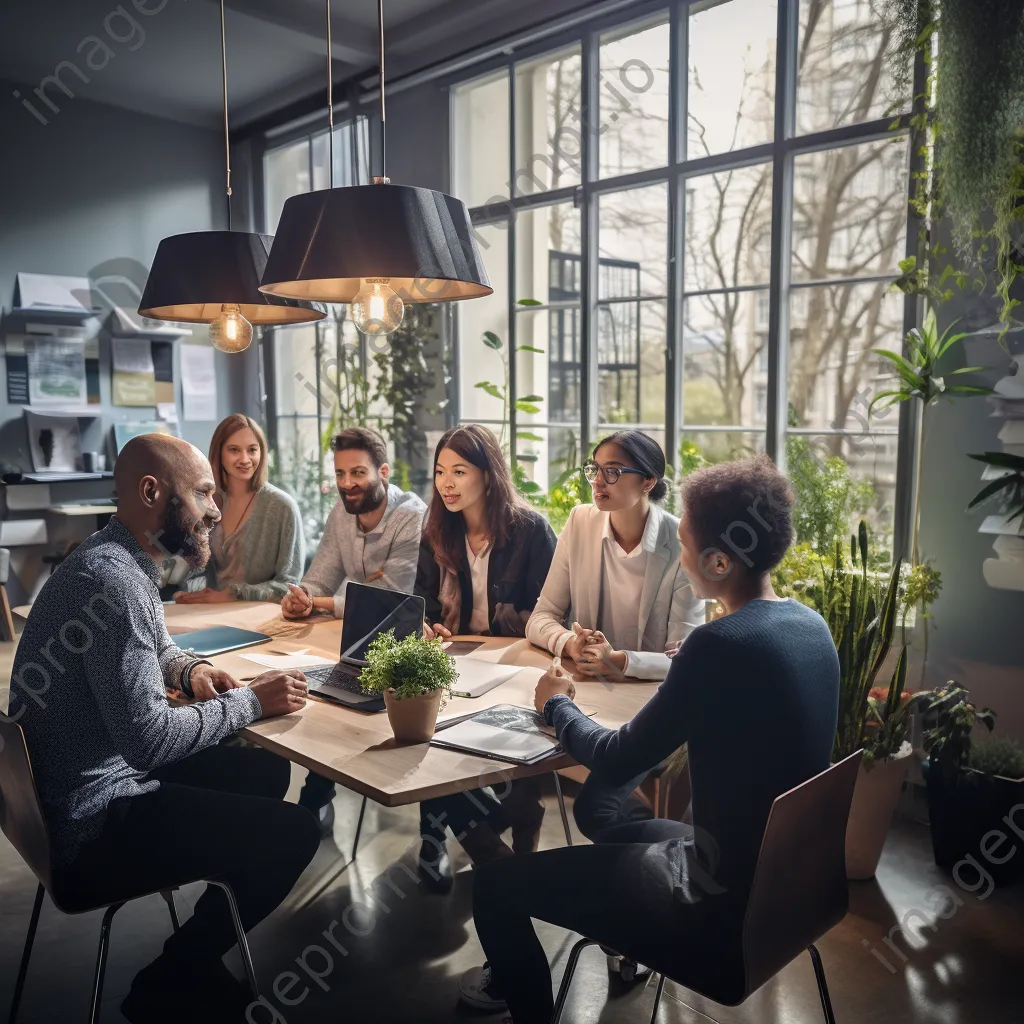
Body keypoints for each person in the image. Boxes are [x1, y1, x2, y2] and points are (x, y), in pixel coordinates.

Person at [466, 455, 841, 1023]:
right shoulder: (809, 627)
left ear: (718, 562)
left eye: (685, 543)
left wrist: (557, 704)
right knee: (602, 809)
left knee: (495, 887)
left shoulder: (717, 646)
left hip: (711, 907)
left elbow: (617, 755)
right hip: (789, 890)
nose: (678, 553)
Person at [7, 434, 319, 1024]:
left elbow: (158, 645)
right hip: (89, 824)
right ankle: (174, 974)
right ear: (153, 492)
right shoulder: (115, 583)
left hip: (61, 798)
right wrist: (252, 703)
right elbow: (149, 740)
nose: (216, 509)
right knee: (295, 833)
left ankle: (205, 932)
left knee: (265, 770)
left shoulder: (111, 557)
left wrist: (192, 669)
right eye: (202, 491)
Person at [414, 425, 557, 892]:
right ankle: (444, 839)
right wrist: (427, 627)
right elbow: (422, 605)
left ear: (489, 475)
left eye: (459, 471)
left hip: (517, 670)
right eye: (440, 472)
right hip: (456, 663)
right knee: (423, 723)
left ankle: (497, 846)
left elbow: (551, 614)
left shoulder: (531, 530)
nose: (446, 483)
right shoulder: (437, 530)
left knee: (472, 740)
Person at [279, 426, 427, 834]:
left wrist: (323, 603)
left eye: (358, 473)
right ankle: (315, 799)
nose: (348, 484)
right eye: (341, 474)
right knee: (319, 695)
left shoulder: (411, 517)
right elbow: (321, 577)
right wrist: (302, 596)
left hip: (408, 644)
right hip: (351, 640)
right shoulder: (341, 515)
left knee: (336, 697)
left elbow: (393, 598)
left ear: (382, 471)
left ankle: (315, 804)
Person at [526, 430, 704, 685]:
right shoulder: (580, 522)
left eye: (613, 471)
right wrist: (570, 644)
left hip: (649, 695)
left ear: (648, 482)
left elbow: (686, 658)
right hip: (585, 686)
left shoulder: (681, 541)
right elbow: (541, 618)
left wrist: (622, 661)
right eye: (594, 469)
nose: (598, 481)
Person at [174, 413, 304, 604]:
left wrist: (233, 594)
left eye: (252, 450)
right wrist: (189, 591)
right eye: (234, 450)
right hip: (208, 612)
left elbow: (289, 585)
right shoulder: (206, 502)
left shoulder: (282, 507)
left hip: (259, 614)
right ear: (220, 453)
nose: (245, 459)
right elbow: (192, 567)